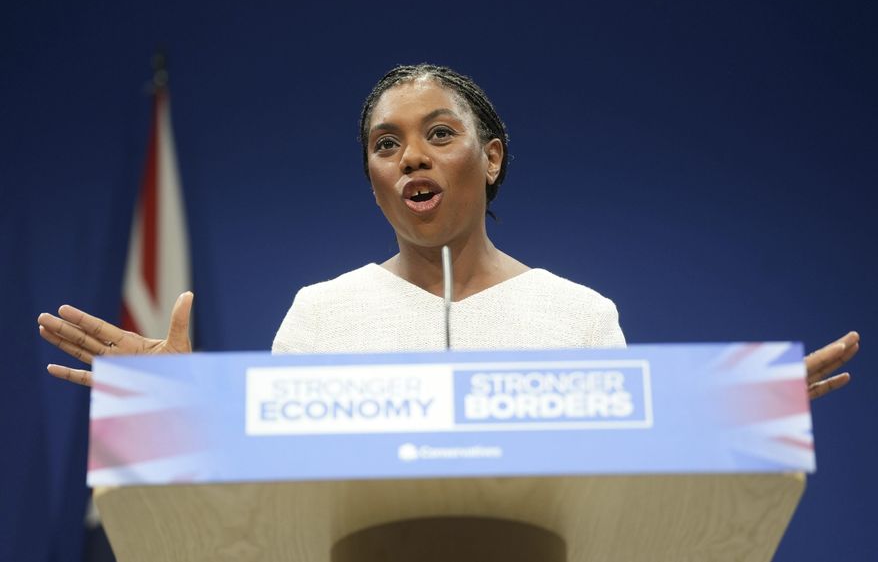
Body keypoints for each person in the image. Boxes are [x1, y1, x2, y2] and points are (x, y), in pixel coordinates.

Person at [36, 64, 859, 398]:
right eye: (386, 144)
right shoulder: (319, 315)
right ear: (373, 177)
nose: (412, 157)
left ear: (490, 157)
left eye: (439, 133)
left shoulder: (582, 316)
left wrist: (733, 423)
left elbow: (626, 482)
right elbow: (267, 496)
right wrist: (182, 405)